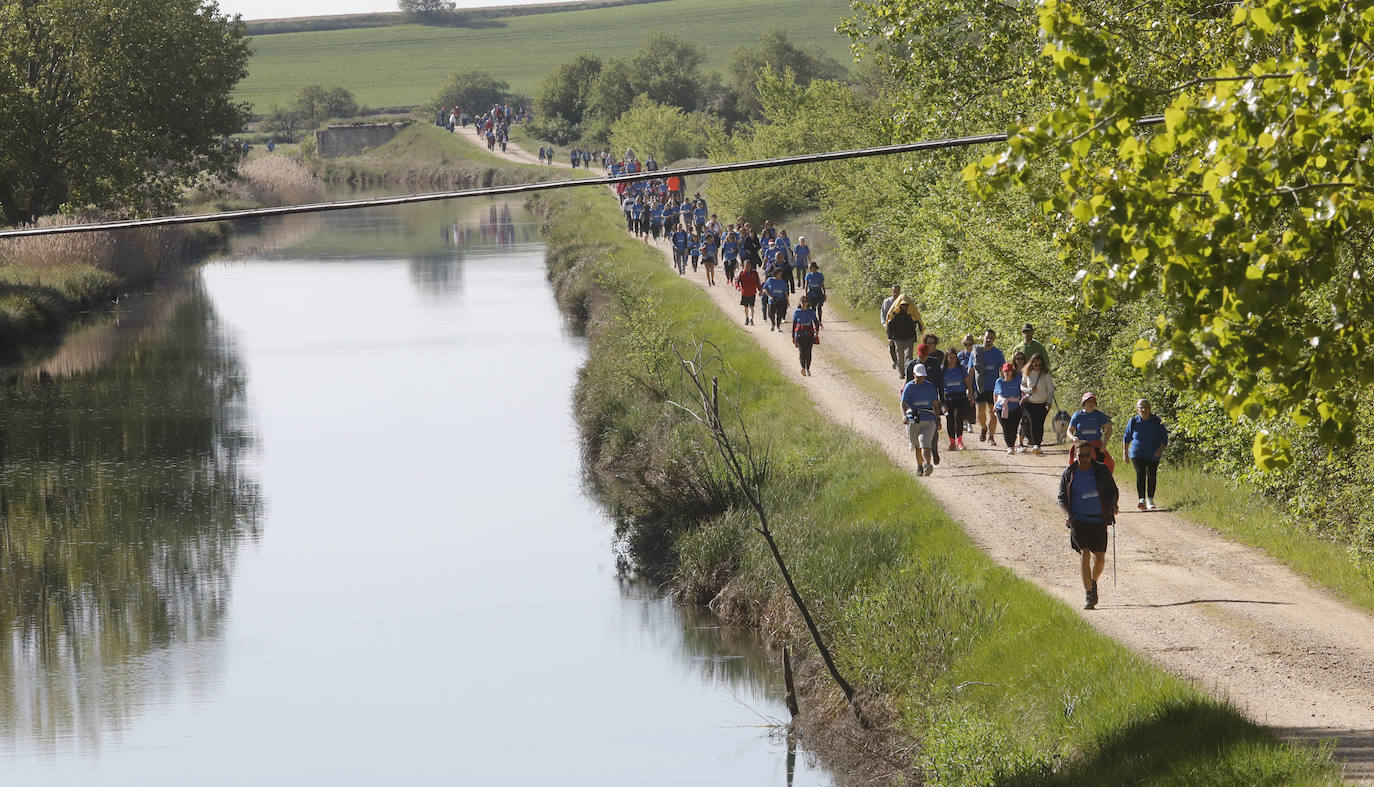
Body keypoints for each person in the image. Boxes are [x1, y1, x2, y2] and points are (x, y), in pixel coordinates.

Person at [1059, 441, 1119, 609]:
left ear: (1091, 455)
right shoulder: (1069, 473)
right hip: (1078, 521)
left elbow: (1113, 490)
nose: (1084, 459)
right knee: (1084, 554)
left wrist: (1113, 505)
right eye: (1080, 456)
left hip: (1099, 519)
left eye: (1087, 455)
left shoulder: (1101, 470)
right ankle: (1089, 595)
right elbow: (1062, 498)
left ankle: (1093, 582)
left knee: (1100, 558)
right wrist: (1068, 515)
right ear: (1075, 456)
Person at [1123, 399, 1168, 510]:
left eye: (1146, 407)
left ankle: (1150, 499)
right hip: (1137, 454)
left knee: (1152, 476)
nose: (1143, 409)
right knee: (1140, 474)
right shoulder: (1133, 421)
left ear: (1150, 408)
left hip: (1153, 454)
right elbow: (1126, 437)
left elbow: (1164, 438)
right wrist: (1125, 453)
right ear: (1137, 409)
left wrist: (1160, 449)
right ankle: (1141, 499)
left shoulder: (1156, 421)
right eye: (1141, 407)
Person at [901, 363, 940, 476]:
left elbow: (935, 404)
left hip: (928, 419)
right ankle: (919, 466)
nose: (920, 378)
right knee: (917, 444)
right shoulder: (909, 387)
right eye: (918, 376)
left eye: (922, 376)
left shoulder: (929, 386)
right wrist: (904, 415)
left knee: (925, 442)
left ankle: (927, 464)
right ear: (913, 374)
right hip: (914, 419)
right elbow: (903, 403)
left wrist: (938, 418)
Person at [970, 329, 1005, 442]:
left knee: (992, 411)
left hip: (993, 387)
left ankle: (991, 437)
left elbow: (1003, 369)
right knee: (980, 412)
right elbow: (970, 371)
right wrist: (969, 388)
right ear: (983, 337)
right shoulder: (975, 352)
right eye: (987, 337)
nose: (988, 340)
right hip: (979, 386)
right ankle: (984, 428)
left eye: (991, 338)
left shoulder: (998, 353)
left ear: (994, 340)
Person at [1068, 392, 1115, 471]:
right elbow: (1069, 431)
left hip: (1096, 446)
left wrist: (1104, 444)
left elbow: (1109, 429)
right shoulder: (1077, 415)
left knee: (1108, 465)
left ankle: (1103, 483)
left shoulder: (1099, 415)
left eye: (1093, 401)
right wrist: (1073, 438)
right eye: (1088, 401)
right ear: (1084, 403)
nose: (1091, 403)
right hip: (1080, 446)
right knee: (1076, 468)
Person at [1019, 353, 1054, 454]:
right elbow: (1022, 386)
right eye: (1035, 365)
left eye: (1039, 365)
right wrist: (1030, 390)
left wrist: (1049, 402)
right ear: (1031, 364)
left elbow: (1051, 389)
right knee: (1033, 423)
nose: (1037, 367)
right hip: (1030, 403)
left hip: (1043, 403)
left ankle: (1037, 443)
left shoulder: (1046, 374)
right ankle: (1036, 444)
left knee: (1040, 423)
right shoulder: (1027, 372)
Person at [884, 293, 922, 379]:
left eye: (906, 305)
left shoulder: (911, 313)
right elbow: (889, 325)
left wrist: (921, 329)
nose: (904, 306)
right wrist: (889, 338)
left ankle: (908, 372)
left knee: (909, 356)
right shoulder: (895, 313)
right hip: (898, 338)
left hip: (910, 337)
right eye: (903, 305)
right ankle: (901, 372)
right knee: (900, 356)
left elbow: (918, 320)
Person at [941, 350, 972, 450]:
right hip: (948, 398)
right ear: (946, 358)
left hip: (961, 397)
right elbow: (940, 386)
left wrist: (970, 394)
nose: (952, 360)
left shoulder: (961, 369)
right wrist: (942, 402)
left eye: (954, 357)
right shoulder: (943, 370)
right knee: (950, 420)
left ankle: (959, 441)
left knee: (959, 419)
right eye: (950, 358)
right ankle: (952, 443)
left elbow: (967, 382)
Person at [993, 362, 1024, 455]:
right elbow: (995, 393)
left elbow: (1022, 391)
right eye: (1005, 371)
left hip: (1015, 408)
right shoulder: (999, 381)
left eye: (1009, 371)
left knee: (1013, 427)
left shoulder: (1017, 381)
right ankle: (1009, 446)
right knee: (1006, 427)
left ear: (1012, 372)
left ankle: (1012, 444)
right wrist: (995, 404)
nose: (1007, 373)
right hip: (1001, 408)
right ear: (1002, 372)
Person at [792, 296, 820, 376]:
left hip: (809, 334)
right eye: (802, 301)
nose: (804, 303)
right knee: (802, 352)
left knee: (808, 352)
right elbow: (794, 325)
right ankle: (803, 368)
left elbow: (816, 322)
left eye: (805, 301)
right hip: (799, 335)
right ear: (800, 303)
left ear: (808, 303)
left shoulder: (811, 312)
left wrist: (817, 332)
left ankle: (808, 368)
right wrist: (793, 337)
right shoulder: (797, 312)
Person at [762, 267, 791, 331]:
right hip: (772, 300)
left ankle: (778, 326)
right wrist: (769, 296)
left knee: (779, 314)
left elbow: (785, 292)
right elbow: (765, 289)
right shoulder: (770, 280)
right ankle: (773, 323)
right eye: (779, 274)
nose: (780, 275)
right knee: (770, 314)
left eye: (781, 274)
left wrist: (787, 301)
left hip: (780, 300)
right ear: (775, 274)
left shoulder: (782, 282)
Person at [735, 260, 762, 326]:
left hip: (752, 292)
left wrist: (760, 290)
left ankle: (751, 319)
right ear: (743, 266)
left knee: (752, 306)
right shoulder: (741, 273)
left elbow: (758, 283)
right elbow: (737, 281)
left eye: (749, 266)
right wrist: (738, 287)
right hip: (744, 292)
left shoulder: (755, 273)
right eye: (746, 266)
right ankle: (747, 318)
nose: (748, 267)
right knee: (746, 307)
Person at [803, 262, 826, 327]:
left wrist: (824, 293)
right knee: (813, 308)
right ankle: (814, 321)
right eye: (809, 268)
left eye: (811, 267)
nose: (810, 269)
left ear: (814, 268)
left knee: (819, 307)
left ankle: (820, 321)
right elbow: (806, 285)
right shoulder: (808, 275)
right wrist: (806, 293)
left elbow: (822, 284)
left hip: (818, 292)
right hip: (811, 292)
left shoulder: (820, 275)